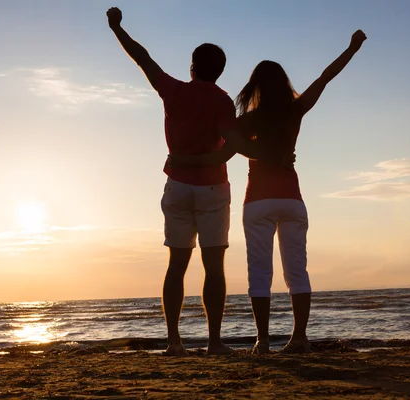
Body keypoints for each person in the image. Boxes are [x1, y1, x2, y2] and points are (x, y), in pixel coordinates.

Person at [170, 30, 367, 354]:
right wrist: (352, 48)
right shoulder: (296, 110)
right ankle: (299, 338)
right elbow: (325, 77)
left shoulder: (249, 121)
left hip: (258, 201)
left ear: (255, 87)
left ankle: (262, 341)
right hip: (292, 199)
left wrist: (185, 160)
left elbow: (223, 154)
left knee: (259, 272)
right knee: (297, 271)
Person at [106, 7, 264, 356]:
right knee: (213, 266)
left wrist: (117, 28)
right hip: (211, 189)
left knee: (177, 264)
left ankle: (174, 343)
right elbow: (231, 150)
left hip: (178, 185)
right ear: (220, 71)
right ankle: (213, 342)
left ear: (192, 66)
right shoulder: (222, 101)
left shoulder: (173, 90)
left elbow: (142, 57)